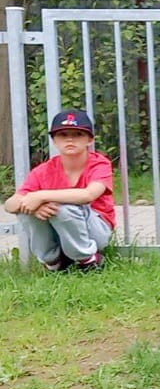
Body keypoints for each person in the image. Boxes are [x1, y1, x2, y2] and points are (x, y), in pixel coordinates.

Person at [4, 108, 114, 271]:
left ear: (90, 140)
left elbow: (88, 195)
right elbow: (10, 205)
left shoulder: (99, 164)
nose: (70, 139)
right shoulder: (44, 170)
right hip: (59, 230)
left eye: (78, 134)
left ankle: (87, 259)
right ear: (54, 140)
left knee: (61, 208)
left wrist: (41, 196)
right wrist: (35, 207)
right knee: (26, 209)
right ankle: (53, 262)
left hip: (94, 231)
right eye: (62, 135)